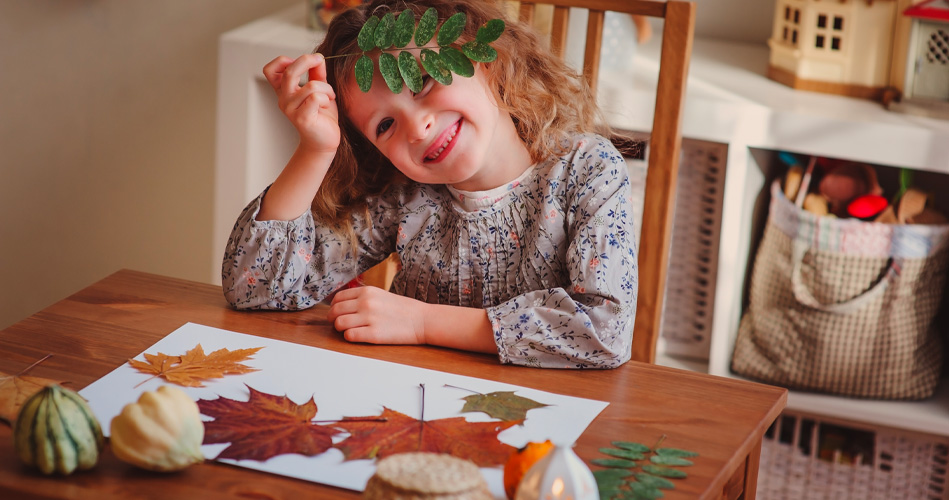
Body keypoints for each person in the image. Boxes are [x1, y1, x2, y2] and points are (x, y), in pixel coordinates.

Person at [222, 0, 638, 369]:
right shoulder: (403, 194)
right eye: (384, 125)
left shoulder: (587, 169)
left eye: (423, 82)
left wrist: (422, 322)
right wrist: (316, 149)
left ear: (486, 57)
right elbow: (253, 289)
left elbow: (602, 329)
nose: (417, 129)